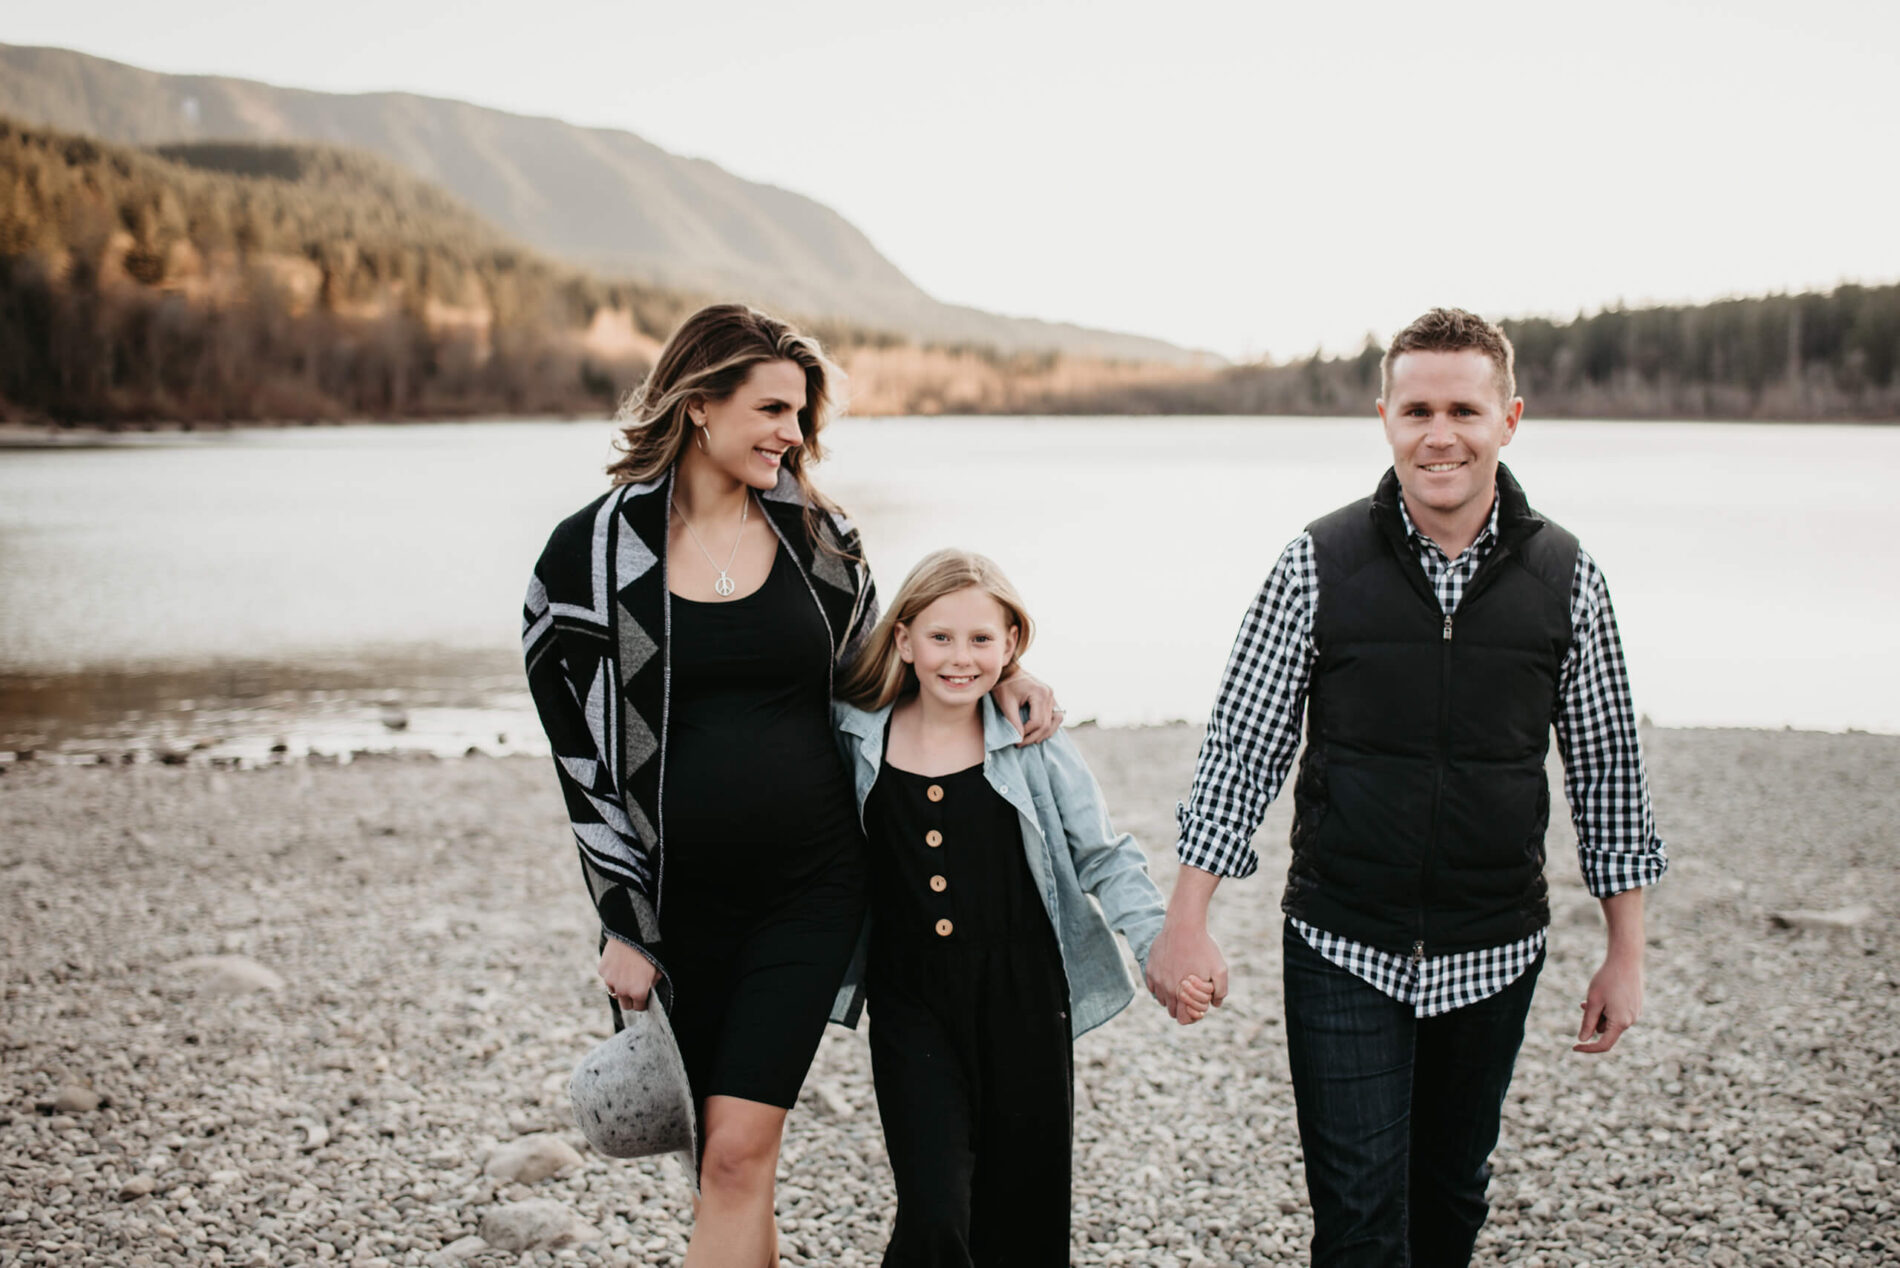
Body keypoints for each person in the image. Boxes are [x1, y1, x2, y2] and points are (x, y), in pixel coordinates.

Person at [521, 305, 1059, 1268]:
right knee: (726, 1170)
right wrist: (622, 920)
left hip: (810, 891)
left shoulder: (823, 541)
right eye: (772, 408)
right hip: (675, 905)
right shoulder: (591, 557)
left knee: (737, 1151)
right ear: (699, 404)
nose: (792, 434)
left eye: (801, 415)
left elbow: (883, 675)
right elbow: (578, 756)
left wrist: (995, 677)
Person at [1145, 307, 1669, 1266]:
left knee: (1451, 1199)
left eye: (1464, 410)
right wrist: (1188, 916)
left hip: (1494, 945)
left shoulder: (1566, 576)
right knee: (1355, 1216)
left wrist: (1623, 953)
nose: (1440, 435)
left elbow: (1608, 773)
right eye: (1417, 409)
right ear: (1383, 416)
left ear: (1509, 418)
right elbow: (1242, 747)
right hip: (1343, 941)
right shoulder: (1317, 562)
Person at [832, 549, 1211, 1266]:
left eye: (981, 640)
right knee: (934, 1208)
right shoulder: (856, 732)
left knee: (1025, 1215)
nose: (959, 658)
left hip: (1027, 1000)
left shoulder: (1032, 739)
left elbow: (1103, 853)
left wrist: (1159, 939)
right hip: (910, 1002)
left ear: (1011, 647)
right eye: (940, 638)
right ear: (904, 640)